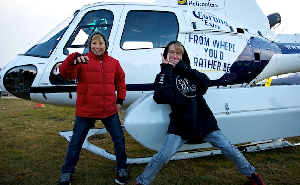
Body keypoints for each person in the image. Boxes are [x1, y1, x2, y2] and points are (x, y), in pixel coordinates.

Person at [134, 41, 264, 185]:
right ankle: (142, 181)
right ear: (165, 55)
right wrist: (166, 70)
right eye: (171, 52)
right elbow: (162, 98)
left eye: (178, 53)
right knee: (164, 156)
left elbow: (205, 83)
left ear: (183, 57)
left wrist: (185, 69)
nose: (175, 56)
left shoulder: (190, 72)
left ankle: (252, 175)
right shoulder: (163, 76)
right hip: (180, 125)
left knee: (229, 148)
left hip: (204, 122)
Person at [59, 31, 128, 185]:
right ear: (90, 45)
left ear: (106, 45)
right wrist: (72, 59)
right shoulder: (82, 61)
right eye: (94, 43)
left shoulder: (114, 63)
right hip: (86, 110)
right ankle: (67, 172)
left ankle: (122, 168)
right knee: (76, 143)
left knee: (119, 140)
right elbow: (66, 73)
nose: (97, 46)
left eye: (100, 43)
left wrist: (120, 99)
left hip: (109, 110)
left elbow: (121, 81)